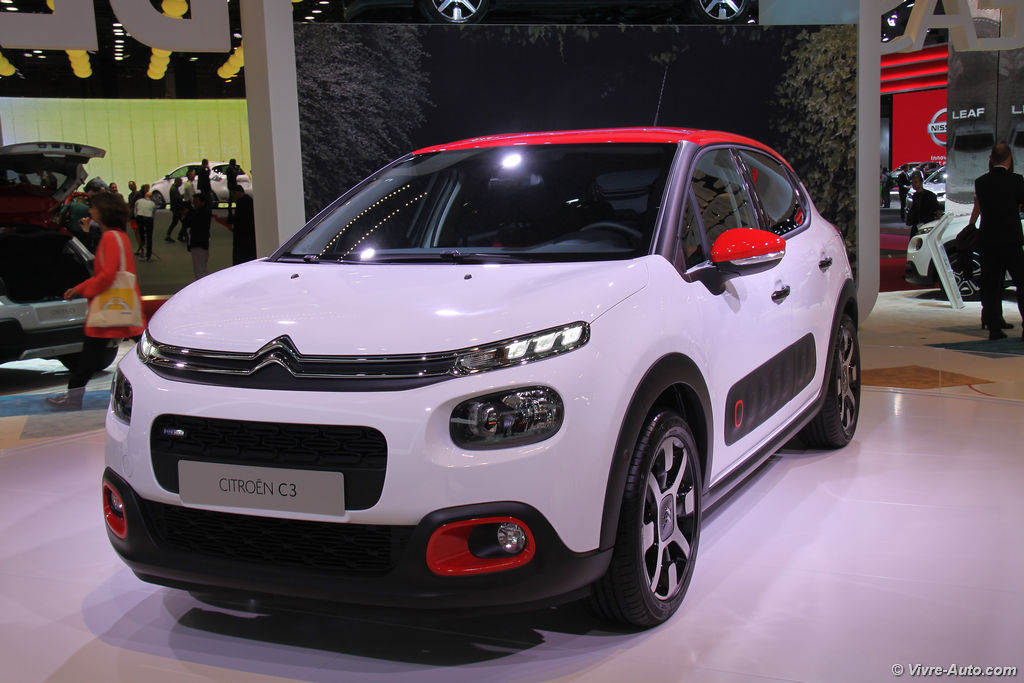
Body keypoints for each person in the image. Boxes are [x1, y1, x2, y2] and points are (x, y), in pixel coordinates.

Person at [45, 193, 144, 410]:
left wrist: (78, 290)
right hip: (123, 306)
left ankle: (73, 398)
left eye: (94, 207)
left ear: (104, 211)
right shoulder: (119, 236)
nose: (90, 210)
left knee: (89, 358)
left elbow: (106, 276)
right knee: (141, 350)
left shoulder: (110, 238)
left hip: (108, 308)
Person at [969, 143, 1024, 340]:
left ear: (991, 159)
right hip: (1011, 240)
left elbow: (981, 206)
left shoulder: (981, 182)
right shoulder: (1017, 180)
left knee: (991, 283)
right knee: (1021, 282)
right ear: (1010, 158)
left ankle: (994, 326)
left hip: (989, 239)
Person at [905, 170, 941, 238]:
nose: (914, 184)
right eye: (912, 183)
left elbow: (937, 209)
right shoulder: (915, 195)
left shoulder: (929, 195)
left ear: (921, 182)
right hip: (917, 223)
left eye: (916, 182)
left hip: (927, 222)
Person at [225, 186, 256, 264]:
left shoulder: (241, 203)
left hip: (242, 238)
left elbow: (239, 219)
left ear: (237, 193)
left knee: (242, 258)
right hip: (249, 237)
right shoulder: (249, 201)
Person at [187, 192, 213, 279]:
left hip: (199, 242)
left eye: (196, 201)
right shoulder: (199, 212)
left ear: (202, 203)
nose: (194, 203)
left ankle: (203, 286)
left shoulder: (201, 213)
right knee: (200, 268)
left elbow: (194, 223)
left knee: (200, 269)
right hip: (199, 242)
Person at [133, 185, 156, 260]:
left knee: (141, 233)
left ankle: (141, 248)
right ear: (151, 197)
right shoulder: (153, 203)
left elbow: (135, 211)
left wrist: (136, 218)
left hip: (139, 217)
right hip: (148, 218)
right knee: (149, 236)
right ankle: (148, 254)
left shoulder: (138, 201)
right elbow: (153, 214)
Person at [164, 177, 186, 242]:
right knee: (183, 223)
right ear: (177, 182)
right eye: (180, 183)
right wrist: (183, 196)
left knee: (175, 222)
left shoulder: (174, 188)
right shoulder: (174, 189)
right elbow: (177, 199)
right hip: (177, 209)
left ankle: (171, 235)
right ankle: (181, 236)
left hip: (175, 208)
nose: (181, 184)